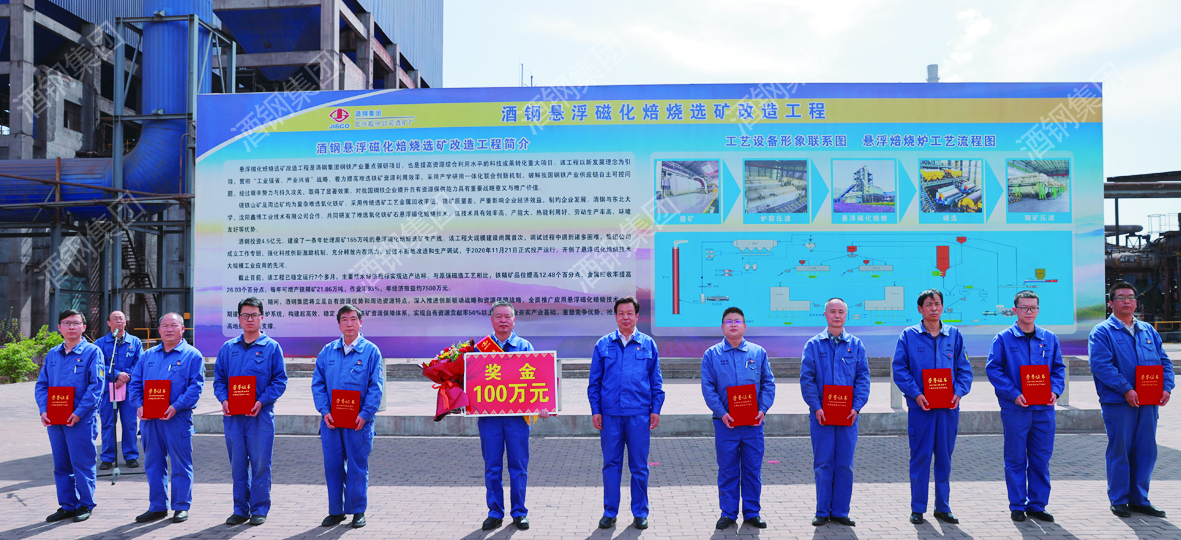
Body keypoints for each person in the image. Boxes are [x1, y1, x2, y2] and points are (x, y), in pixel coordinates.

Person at [1089, 281, 1174, 518]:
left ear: (1136, 302)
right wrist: (1126, 389)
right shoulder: (1102, 332)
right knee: (1120, 450)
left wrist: (1166, 387)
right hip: (1119, 402)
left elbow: (1164, 361)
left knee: (1146, 450)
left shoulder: (1148, 331)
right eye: (1121, 297)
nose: (1126, 301)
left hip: (1148, 401)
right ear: (1111, 303)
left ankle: (1140, 499)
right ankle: (1119, 500)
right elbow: (1101, 365)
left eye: (1130, 297)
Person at [892, 289, 972, 525]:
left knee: (944, 459)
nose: (934, 308)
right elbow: (900, 369)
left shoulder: (954, 335)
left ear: (942, 307)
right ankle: (918, 508)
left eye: (937, 303)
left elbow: (964, 369)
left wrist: (958, 392)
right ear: (920, 309)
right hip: (922, 409)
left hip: (948, 409)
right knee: (921, 457)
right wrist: (916, 394)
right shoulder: (908, 336)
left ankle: (942, 507)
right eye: (929, 304)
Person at [985, 290, 1065, 523]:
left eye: (1033, 308)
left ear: (1038, 310)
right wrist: (1014, 394)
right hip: (1016, 409)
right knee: (1016, 458)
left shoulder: (1049, 338)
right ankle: (1017, 505)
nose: (1029, 312)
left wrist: (1055, 391)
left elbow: (1058, 368)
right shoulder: (1003, 338)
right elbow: (994, 369)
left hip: (1043, 409)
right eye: (1024, 308)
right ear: (1015, 310)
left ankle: (1038, 505)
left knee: (1041, 458)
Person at [588, 296, 665, 530]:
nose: (625, 317)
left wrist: (656, 409)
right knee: (611, 465)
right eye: (621, 313)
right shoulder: (603, 344)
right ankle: (609, 512)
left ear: (637, 316)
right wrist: (596, 410)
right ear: (615, 316)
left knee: (639, 466)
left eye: (630, 313)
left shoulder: (648, 344)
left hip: (639, 415)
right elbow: (594, 382)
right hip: (610, 415)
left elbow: (656, 381)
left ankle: (640, 512)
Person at [213, 297, 288, 526]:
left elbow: (279, 381)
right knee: (237, 463)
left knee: (261, 463)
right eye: (245, 315)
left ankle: (259, 508)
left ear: (262, 318)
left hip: (260, 416)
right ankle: (240, 509)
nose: (250, 319)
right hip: (234, 417)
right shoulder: (228, 348)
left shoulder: (271, 347)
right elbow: (219, 380)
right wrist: (224, 399)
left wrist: (261, 401)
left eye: (254, 315)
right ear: (239, 318)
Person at [701, 306, 775, 530]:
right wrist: (722, 413)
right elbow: (708, 388)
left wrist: (762, 409)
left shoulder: (758, 352)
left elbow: (768, 383)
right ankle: (728, 513)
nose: (733, 324)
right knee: (728, 470)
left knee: (752, 470)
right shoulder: (712, 354)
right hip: (726, 424)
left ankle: (752, 512)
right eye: (729, 321)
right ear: (722, 326)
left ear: (745, 326)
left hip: (753, 424)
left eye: (737, 321)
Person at [312, 304, 384, 529]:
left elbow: (376, 386)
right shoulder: (328, 351)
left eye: (353, 319)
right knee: (332, 466)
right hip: (332, 422)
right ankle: (336, 511)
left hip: (358, 423)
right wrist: (324, 411)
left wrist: (366, 413)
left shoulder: (371, 352)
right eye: (344, 319)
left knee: (357, 466)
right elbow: (318, 383)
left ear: (360, 323)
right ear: (339, 324)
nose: (349, 324)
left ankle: (358, 511)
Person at [130, 312, 205, 523]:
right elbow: (134, 384)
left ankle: (181, 506)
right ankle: (157, 506)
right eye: (165, 325)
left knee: (181, 463)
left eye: (174, 325)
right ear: (159, 330)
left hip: (177, 419)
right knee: (153, 464)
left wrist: (176, 406)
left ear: (183, 329)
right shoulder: (147, 356)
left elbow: (195, 387)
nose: (169, 329)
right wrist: (139, 405)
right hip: (150, 420)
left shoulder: (192, 355)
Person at [801, 298, 869, 527]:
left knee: (844, 464)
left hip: (848, 416)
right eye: (833, 311)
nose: (837, 315)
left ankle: (840, 511)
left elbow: (863, 379)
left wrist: (856, 407)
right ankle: (822, 511)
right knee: (823, 463)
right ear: (825, 314)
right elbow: (807, 379)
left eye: (841, 311)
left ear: (846, 315)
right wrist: (816, 407)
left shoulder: (856, 345)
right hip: (821, 416)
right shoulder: (813, 345)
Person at [36, 309, 105, 523]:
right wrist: (43, 410)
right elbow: (42, 385)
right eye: (66, 323)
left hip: (80, 420)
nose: (71, 327)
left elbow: (96, 386)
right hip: (55, 419)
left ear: (84, 327)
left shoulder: (93, 352)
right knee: (61, 464)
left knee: (82, 462)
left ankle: (85, 504)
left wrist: (79, 412)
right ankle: (67, 505)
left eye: (76, 323)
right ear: (59, 327)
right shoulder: (53, 354)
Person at [478, 301, 537, 531]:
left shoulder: (525, 347)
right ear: (491, 320)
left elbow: (537, 380)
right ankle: (495, 512)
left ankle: (519, 512)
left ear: (514, 320)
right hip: (489, 417)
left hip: (517, 418)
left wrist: (543, 405)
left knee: (518, 465)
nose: (503, 320)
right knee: (492, 466)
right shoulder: (480, 349)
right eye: (498, 316)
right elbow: (471, 381)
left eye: (507, 316)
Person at [94, 310, 142, 470]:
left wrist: (126, 375)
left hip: (129, 390)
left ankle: (131, 456)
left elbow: (139, 362)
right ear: (109, 323)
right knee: (108, 423)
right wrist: (116, 374)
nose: (118, 321)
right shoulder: (100, 343)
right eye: (114, 319)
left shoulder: (135, 342)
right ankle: (108, 458)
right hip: (109, 390)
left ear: (125, 322)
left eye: (121, 318)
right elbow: (99, 365)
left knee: (129, 423)